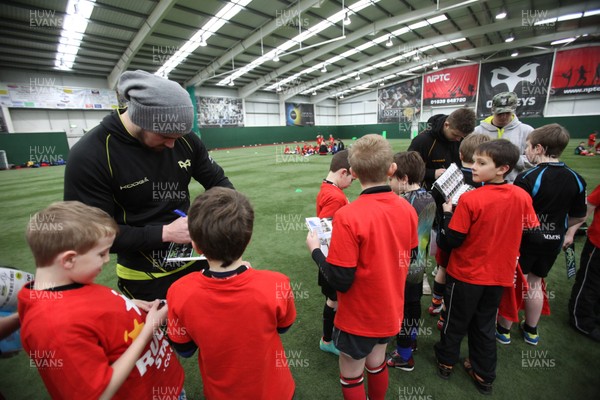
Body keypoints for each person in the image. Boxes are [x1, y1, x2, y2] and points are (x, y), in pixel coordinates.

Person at [64, 70, 234, 301]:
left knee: (207, 330)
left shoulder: (185, 139)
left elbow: (218, 182)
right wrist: (165, 233)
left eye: (179, 135)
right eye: (165, 136)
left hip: (196, 262)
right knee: (165, 336)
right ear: (141, 119)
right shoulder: (90, 155)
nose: (173, 144)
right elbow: (89, 235)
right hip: (145, 277)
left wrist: (225, 213)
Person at [18, 201, 184, 399]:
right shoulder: (54, 325)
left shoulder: (69, 282)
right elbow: (99, 393)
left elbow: (91, 311)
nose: (106, 260)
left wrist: (129, 305)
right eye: (101, 254)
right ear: (69, 260)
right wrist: (149, 330)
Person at [306, 134, 418, 400]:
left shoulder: (348, 216)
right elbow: (410, 257)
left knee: (351, 375)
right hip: (390, 309)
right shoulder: (407, 209)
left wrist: (316, 252)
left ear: (354, 172)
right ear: (392, 168)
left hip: (358, 315)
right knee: (376, 362)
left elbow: (340, 279)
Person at [166, 187, 296, 400]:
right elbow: (284, 326)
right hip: (276, 391)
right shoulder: (276, 282)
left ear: (195, 246)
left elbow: (185, 349)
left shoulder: (179, 291)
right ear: (248, 240)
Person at [434, 140, 539, 395]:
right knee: (483, 325)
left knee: (455, 320)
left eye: (481, 163)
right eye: (475, 161)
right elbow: (533, 233)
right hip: (499, 276)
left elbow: (451, 241)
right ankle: (483, 373)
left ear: (503, 168)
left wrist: (448, 213)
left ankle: (446, 360)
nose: (474, 167)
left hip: (466, 274)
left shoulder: (471, 199)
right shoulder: (522, 196)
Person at [495, 124, 587, 345]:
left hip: (525, 240)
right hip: (553, 241)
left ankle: (504, 330)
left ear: (538, 148)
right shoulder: (576, 179)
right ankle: (531, 329)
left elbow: (516, 214)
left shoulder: (528, 178)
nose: (525, 151)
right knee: (536, 283)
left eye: (527, 146)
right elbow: (578, 217)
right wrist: (565, 231)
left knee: (517, 283)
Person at [429, 134, 491, 331]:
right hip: (473, 239)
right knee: (455, 277)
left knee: (443, 268)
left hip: (447, 231)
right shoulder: (488, 181)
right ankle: (445, 313)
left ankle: (436, 304)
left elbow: (433, 199)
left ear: (460, 153)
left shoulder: (449, 175)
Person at [386, 151, 436, 372]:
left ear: (404, 179)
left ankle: (404, 355)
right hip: (419, 264)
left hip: (402, 267)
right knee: (413, 305)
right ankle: (410, 341)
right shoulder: (429, 196)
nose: (389, 183)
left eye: (392, 179)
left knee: (403, 308)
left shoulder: (402, 203)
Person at [315, 149, 353, 356]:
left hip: (329, 256)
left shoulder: (326, 188)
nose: (352, 183)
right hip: (333, 257)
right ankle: (328, 340)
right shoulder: (335, 196)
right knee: (334, 299)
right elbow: (325, 231)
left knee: (333, 299)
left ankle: (329, 337)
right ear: (343, 172)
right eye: (352, 179)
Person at [407, 107, 477, 190]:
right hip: (429, 195)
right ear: (446, 125)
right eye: (455, 135)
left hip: (456, 192)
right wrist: (433, 173)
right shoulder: (422, 141)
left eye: (462, 136)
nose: (458, 139)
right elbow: (409, 169)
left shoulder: (463, 139)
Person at [473, 91, 534, 183]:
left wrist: (512, 158)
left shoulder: (526, 131)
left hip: (516, 185)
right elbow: (470, 157)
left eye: (507, 112)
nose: (503, 116)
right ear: (492, 110)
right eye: (500, 113)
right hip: (484, 185)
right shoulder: (478, 131)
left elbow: (535, 159)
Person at [568, 184, 600, 342]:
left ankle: (594, 313)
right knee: (589, 283)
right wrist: (571, 233)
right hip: (597, 245)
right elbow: (586, 211)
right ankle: (581, 319)